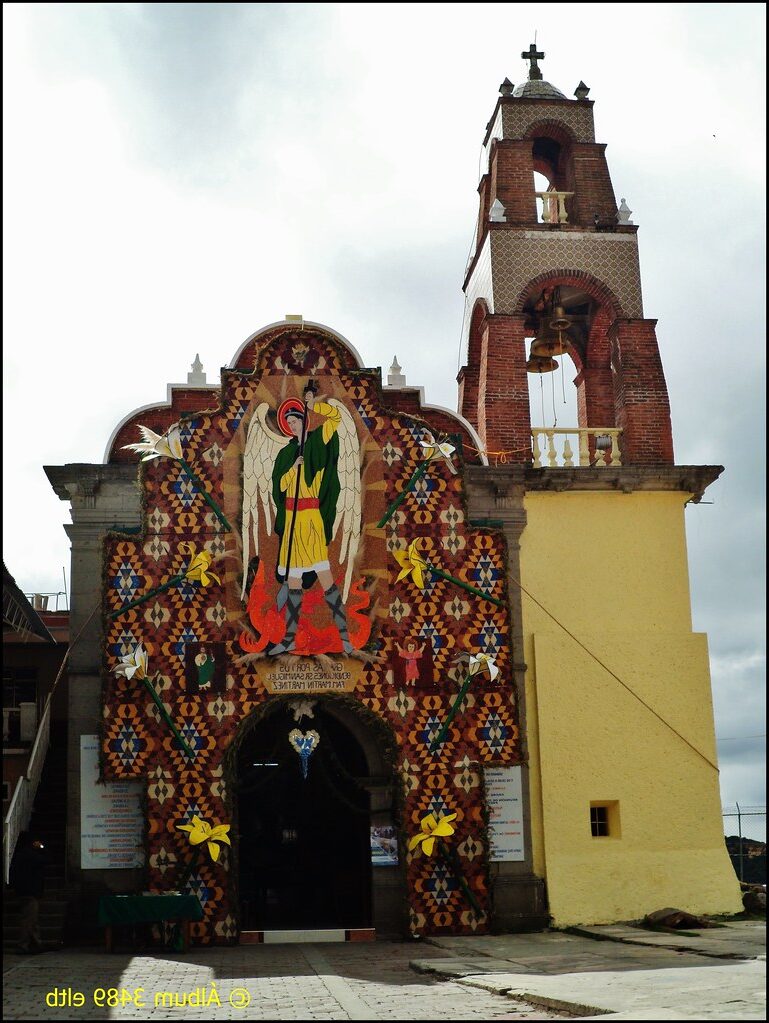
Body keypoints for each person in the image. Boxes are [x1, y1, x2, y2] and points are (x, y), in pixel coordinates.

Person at [270, 384, 351, 654]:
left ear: (304, 420)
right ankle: (289, 639)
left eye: (296, 421)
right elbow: (279, 487)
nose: (293, 426)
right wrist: (293, 469)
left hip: (311, 520)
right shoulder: (285, 455)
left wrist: (314, 403)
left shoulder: (318, 441)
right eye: (289, 423)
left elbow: (336, 419)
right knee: (293, 581)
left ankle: (344, 636)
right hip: (292, 519)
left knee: (325, 576)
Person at [10, 832, 49, 954]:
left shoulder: (19, 855)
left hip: (23, 891)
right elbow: (45, 860)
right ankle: (23, 945)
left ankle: (37, 943)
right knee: (29, 919)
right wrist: (42, 849)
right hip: (30, 892)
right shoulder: (31, 855)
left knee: (32, 919)